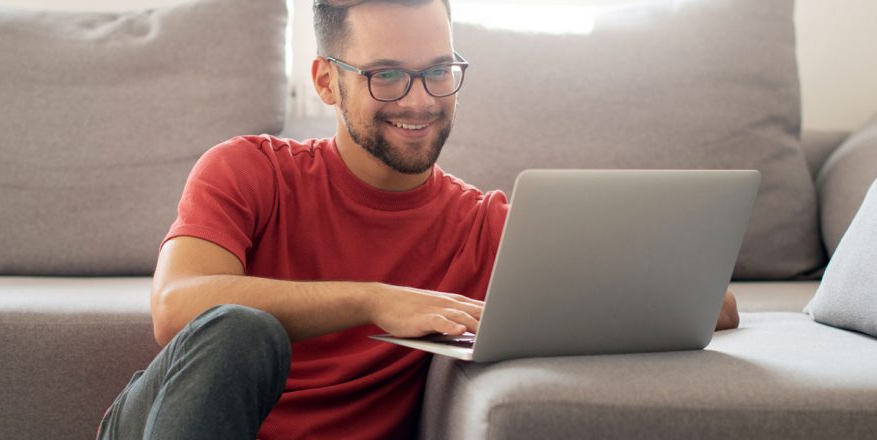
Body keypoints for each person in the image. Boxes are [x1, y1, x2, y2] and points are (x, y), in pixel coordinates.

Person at [95, 0, 740, 438]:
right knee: (243, 332)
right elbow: (177, 309)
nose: (419, 100)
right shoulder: (247, 169)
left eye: (438, 71)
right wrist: (377, 302)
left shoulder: (482, 227)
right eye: (386, 77)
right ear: (325, 81)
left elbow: (713, 303)